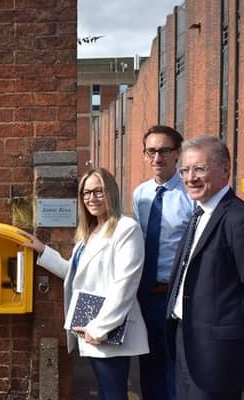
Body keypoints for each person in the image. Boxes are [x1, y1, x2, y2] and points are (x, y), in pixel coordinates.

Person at [23, 168, 148, 400]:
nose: (91, 198)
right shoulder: (89, 232)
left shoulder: (126, 229)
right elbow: (75, 274)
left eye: (98, 191)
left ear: (111, 192)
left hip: (108, 326)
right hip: (87, 321)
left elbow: (126, 283)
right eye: (86, 193)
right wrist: (43, 251)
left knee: (113, 393)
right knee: (104, 391)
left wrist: (100, 328)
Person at [166, 135, 244, 400]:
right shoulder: (198, 213)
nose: (190, 178)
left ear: (225, 170)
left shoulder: (237, 218)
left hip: (218, 354)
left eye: (199, 169)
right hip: (185, 339)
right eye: (184, 170)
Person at [132, 125, 193, 400]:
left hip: (175, 295)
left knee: (176, 366)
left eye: (164, 150)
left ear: (177, 154)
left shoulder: (190, 196)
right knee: (148, 363)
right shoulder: (140, 194)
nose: (158, 157)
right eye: (151, 151)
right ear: (145, 155)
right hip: (145, 294)